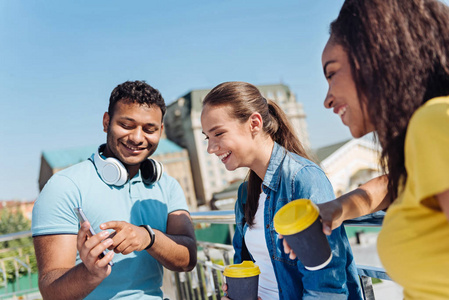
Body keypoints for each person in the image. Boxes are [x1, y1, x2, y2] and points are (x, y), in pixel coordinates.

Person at [302, 0, 449, 298]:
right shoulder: (426, 132)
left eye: (332, 74)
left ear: (376, 57)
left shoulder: (432, 123)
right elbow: (392, 186)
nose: (327, 100)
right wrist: (336, 208)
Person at [32, 80, 197, 299]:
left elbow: (188, 259)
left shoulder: (168, 185)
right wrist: (89, 273)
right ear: (106, 121)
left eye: (149, 129)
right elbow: (50, 291)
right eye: (127, 125)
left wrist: (149, 237)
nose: (138, 138)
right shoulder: (64, 187)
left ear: (161, 131)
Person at [200, 81, 362, 300]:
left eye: (218, 134)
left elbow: (327, 287)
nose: (210, 148)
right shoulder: (245, 194)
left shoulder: (304, 179)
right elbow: (246, 265)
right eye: (207, 138)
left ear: (254, 123)